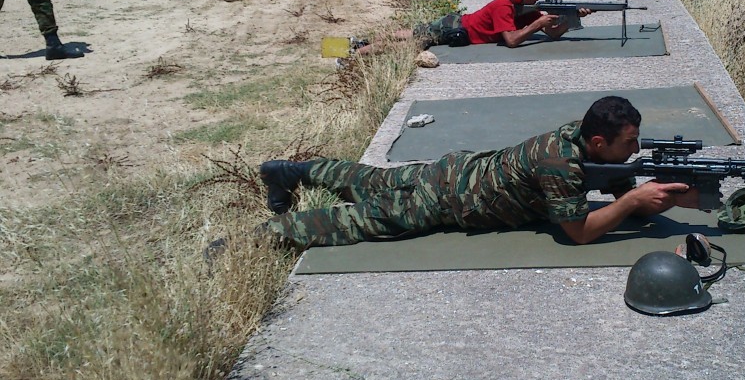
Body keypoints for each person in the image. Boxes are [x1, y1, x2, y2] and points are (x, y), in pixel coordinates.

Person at [256, 96, 698, 250]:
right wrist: (632, 200)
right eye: (630, 144)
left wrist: (658, 195)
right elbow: (579, 233)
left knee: (368, 177)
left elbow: (617, 190)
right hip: (449, 199)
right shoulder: (559, 162)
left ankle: (290, 172)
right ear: (599, 142)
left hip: (456, 169)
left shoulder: (584, 139)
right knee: (362, 220)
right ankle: (265, 236)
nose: (636, 150)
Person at [354, 0, 589, 55]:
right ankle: (358, 52)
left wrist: (569, 20)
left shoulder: (527, 9)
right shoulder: (503, 6)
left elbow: (553, 35)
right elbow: (511, 41)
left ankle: (365, 44)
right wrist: (538, 23)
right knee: (411, 41)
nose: (535, 1)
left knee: (411, 36)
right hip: (455, 26)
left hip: (461, 29)